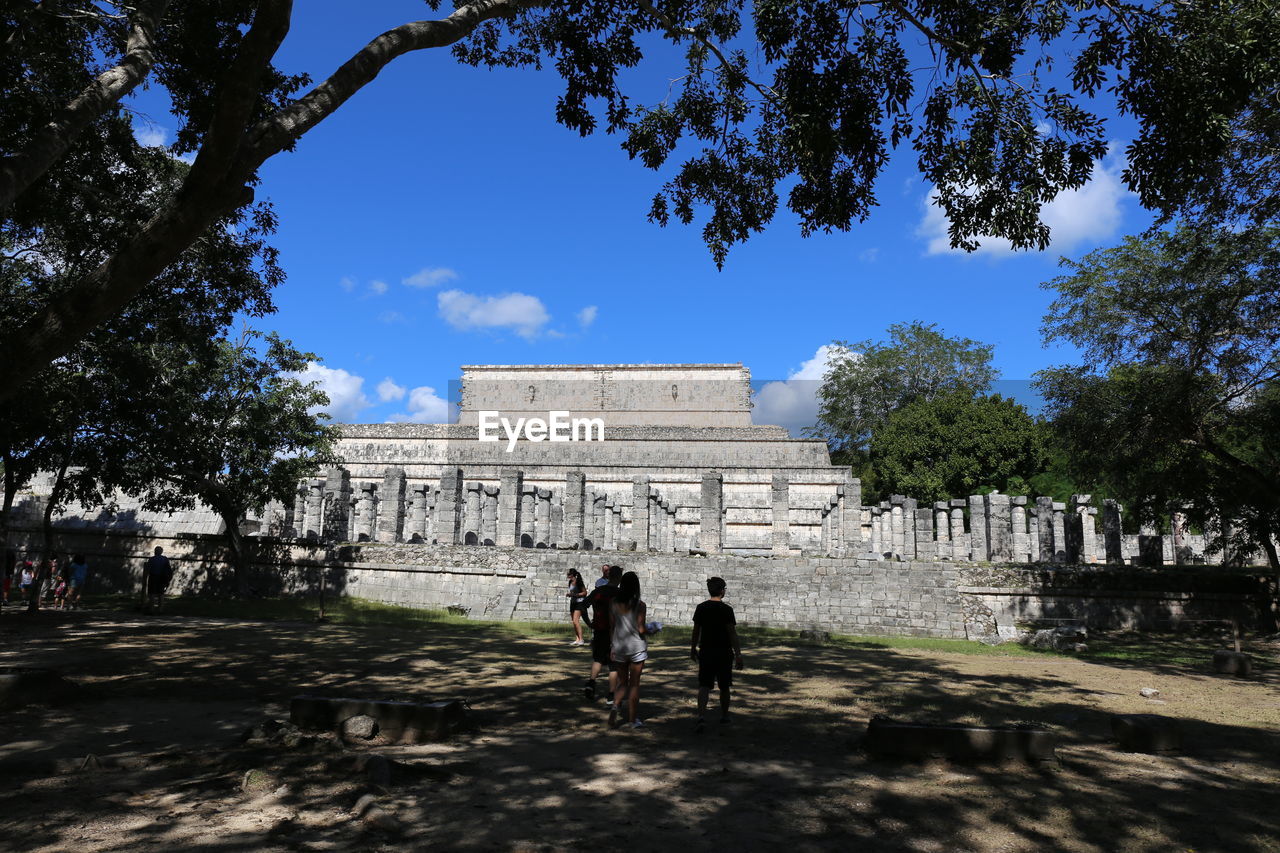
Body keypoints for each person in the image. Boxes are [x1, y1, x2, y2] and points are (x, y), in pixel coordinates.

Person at [690, 576, 743, 732]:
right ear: (722, 591)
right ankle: (725, 715)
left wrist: (693, 648)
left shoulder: (701, 608)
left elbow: (696, 631)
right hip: (724, 651)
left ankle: (701, 716)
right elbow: (732, 633)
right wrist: (738, 653)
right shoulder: (727, 610)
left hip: (706, 650)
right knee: (725, 686)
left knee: (704, 685)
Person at [609, 570, 649, 730]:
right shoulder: (639, 605)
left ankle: (614, 708)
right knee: (634, 684)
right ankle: (632, 720)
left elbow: (612, 627)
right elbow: (641, 629)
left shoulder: (613, 602)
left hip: (619, 645)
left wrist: (612, 645)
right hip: (636, 647)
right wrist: (651, 630)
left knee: (622, 683)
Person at [581, 564, 622, 703]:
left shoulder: (598, 592)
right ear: (619, 577)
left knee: (598, 659)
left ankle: (591, 683)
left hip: (599, 629)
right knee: (613, 664)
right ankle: (611, 694)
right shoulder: (619, 594)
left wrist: (588, 623)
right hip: (614, 632)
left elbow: (582, 606)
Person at [142, 547, 173, 613]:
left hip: (153, 577)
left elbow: (148, 570)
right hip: (162, 578)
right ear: (161, 552)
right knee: (161, 594)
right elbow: (168, 569)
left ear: (155, 551)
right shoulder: (165, 559)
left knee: (152, 594)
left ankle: (151, 609)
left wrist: (145, 578)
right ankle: (160, 610)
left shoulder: (151, 559)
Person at [564, 568, 587, 645]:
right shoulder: (570, 582)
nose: (568, 575)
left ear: (573, 575)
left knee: (575, 621)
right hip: (573, 602)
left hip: (579, 603)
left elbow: (585, 593)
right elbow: (572, 592)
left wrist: (575, 595)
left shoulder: (579, 582)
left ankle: (581, 639)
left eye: (569, 574)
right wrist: (570, 595)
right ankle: (577, 639)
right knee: (574, 622)